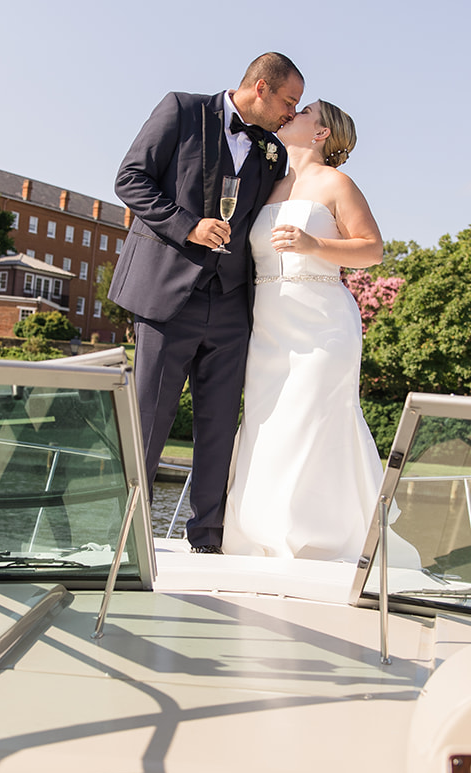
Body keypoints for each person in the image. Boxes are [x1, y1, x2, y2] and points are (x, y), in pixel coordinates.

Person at [109, 53, 303, 553]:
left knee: (219, 427)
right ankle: (127, 534)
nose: (290, 112)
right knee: (148, 421)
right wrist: (187, 225)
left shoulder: (274, 152)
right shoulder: (181, 110)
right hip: (167, 297)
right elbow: (130, 179)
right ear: (261, 87)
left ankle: (209, 539)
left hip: (234, 305)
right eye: (288, 101)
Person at [221, 100, 396, 561]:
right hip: (268, 328)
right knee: (269, 426)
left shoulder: (337, 184)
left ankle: (318, 541)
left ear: (320, 133)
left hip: (322, 328)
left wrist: (314, 243)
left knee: (313, 422)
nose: (292, 113)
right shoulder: (266, 184)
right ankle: (259, 536)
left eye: (305, 112)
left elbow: (372, 250)